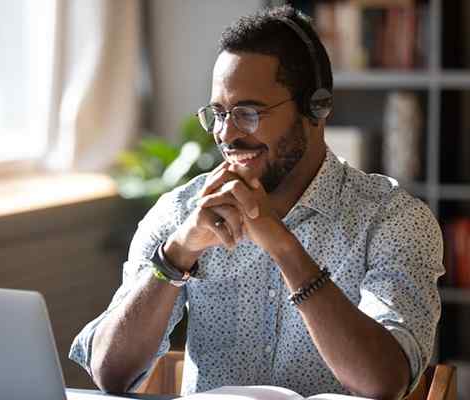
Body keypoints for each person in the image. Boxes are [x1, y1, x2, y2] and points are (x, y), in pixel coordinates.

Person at [70, 5, 443, 399]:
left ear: (317, 108)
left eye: (248, 112)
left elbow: (383, 383)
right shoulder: (182, 212)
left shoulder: (395, 220)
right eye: (218, 113)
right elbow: (109, 374)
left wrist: (282, 245)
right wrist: (177, 255)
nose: (226, 134)